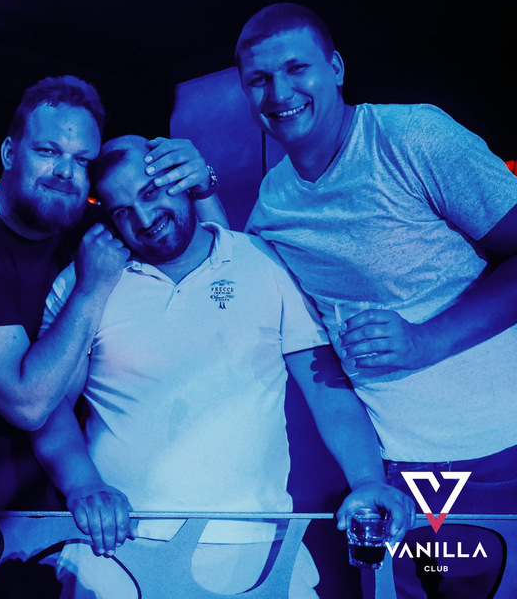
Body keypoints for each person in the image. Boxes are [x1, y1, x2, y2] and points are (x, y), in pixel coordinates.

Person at [0, 75, 224, 597]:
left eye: (81, 160)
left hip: (34, 515)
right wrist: (91, 289)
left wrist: (201, 185)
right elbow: (27, 402)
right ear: (10, 153)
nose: (65, 172)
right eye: (48, 151)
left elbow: (214, 265)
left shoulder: (92, 227)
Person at [31, 134, 412, 598]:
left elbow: (326, 389)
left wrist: (368, 479)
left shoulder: (262, 262)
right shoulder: (83, 281)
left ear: (180, 181)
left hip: (258, 540)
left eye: (151, 193)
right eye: (123, 212)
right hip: (118, 546)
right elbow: (50, 407)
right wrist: (83, 485)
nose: (145, 220)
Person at [237, 3, 517, 598]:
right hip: (396, 476)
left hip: (504, 451)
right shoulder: (270, 209)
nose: (279, 92)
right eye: (259, 79)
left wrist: (424, 340)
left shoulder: (411, 136)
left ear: (336, 67)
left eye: (296, 68)